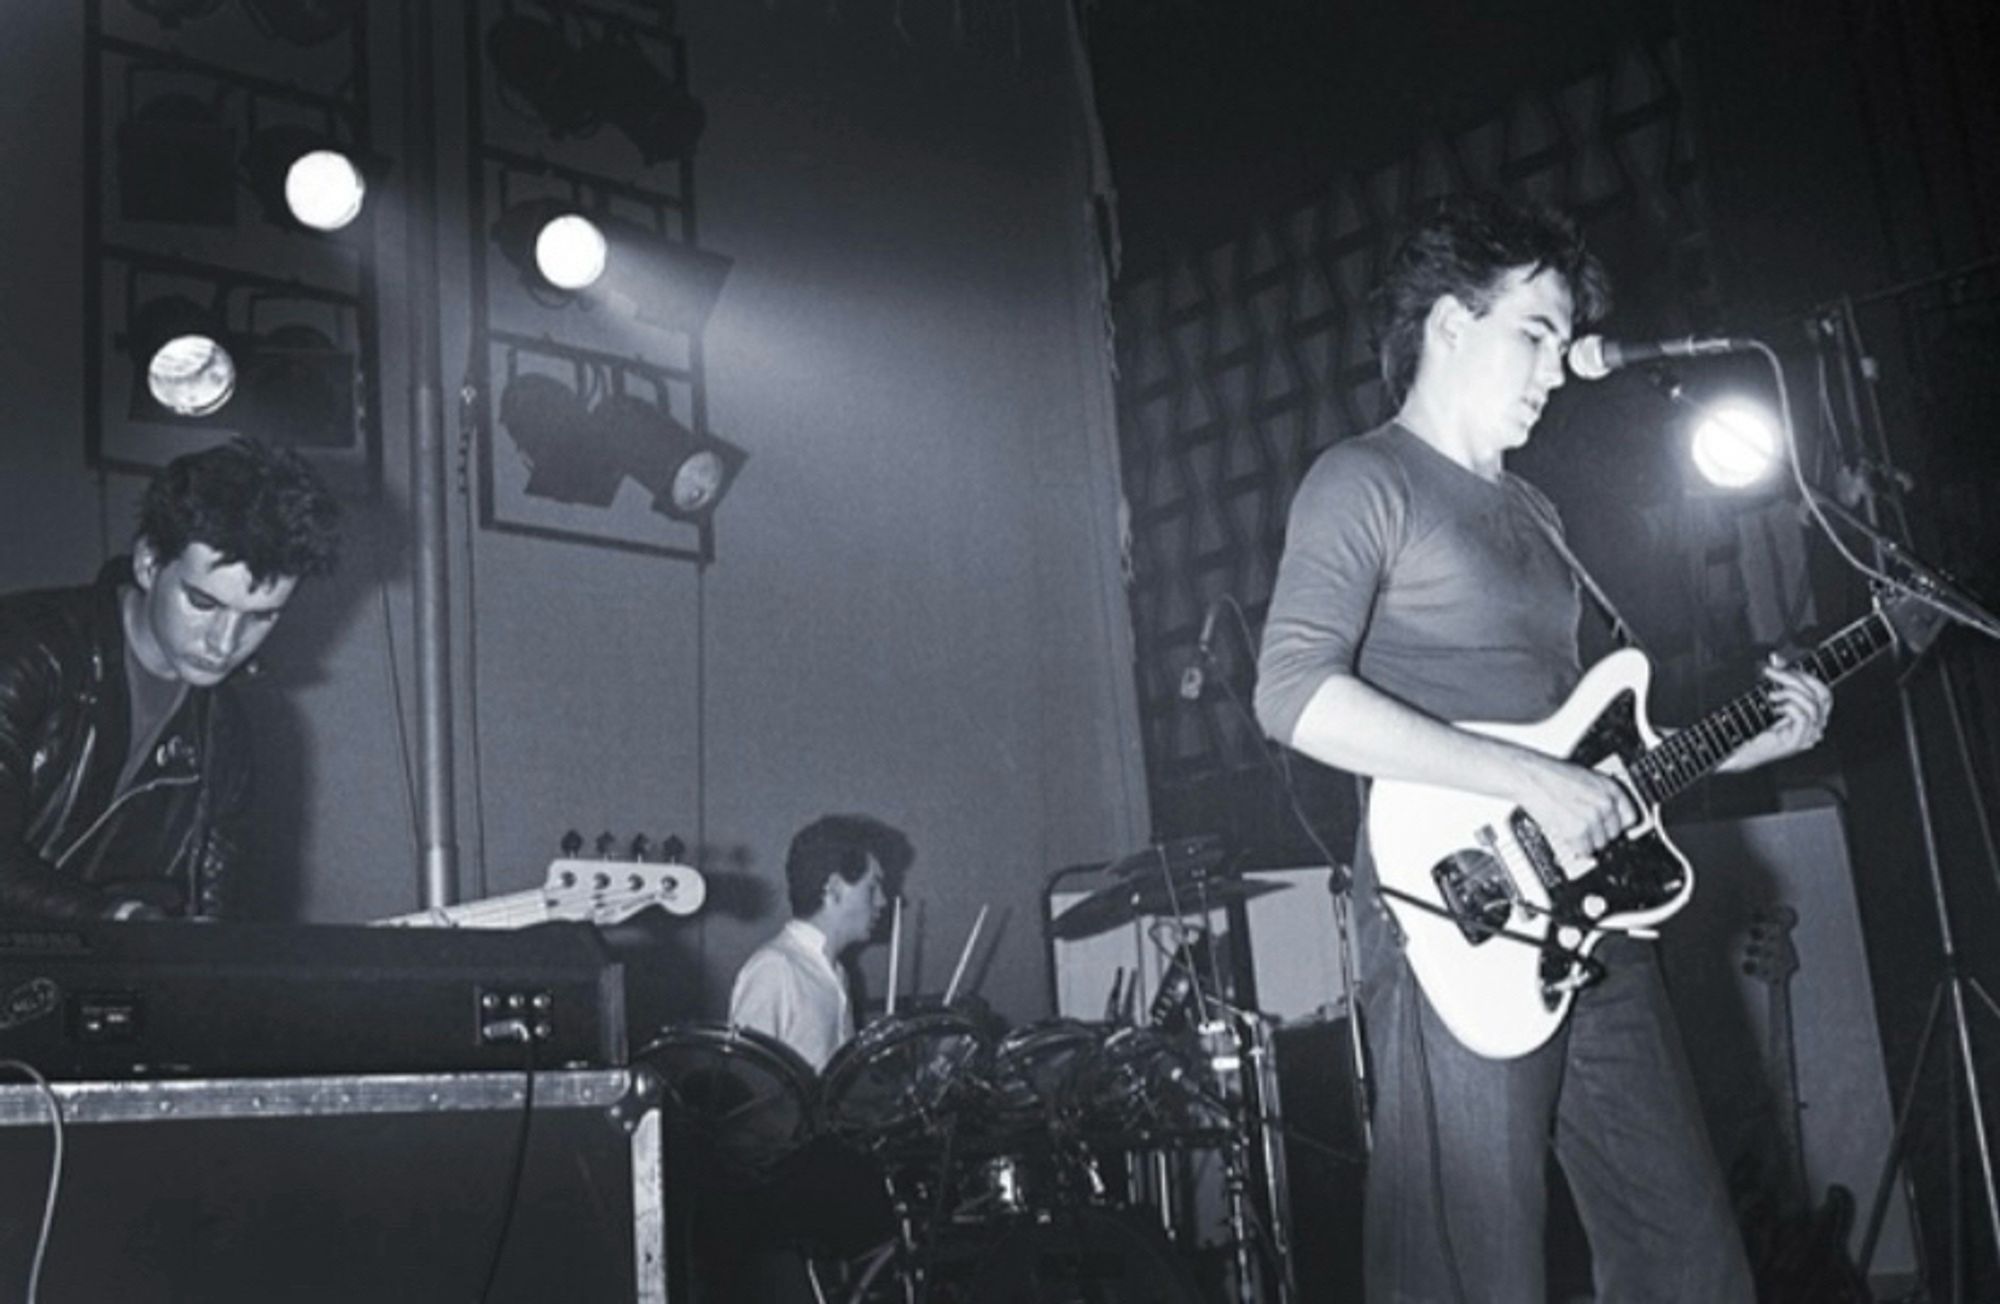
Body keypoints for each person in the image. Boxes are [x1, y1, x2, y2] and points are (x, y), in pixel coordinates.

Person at [1254, 194, 1833, 1303]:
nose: (1556, 368)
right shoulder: (1362, 478)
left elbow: (1591, 751)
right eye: (1534, 332)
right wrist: (1530, 781)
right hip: (1457, 911)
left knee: (1690, 1263)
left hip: (1591, 918)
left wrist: (1749, 744)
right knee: (1469, 1276)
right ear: (1447, 323)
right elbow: (1289, 694)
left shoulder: (1536, 514)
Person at [0, 437, 341, 921]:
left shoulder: (225, 737)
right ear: (148, 563)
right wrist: (113, 919)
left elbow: (209, 923)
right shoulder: (22, 652)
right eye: (204, 603)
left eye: (261, 617)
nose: (225, 642)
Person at [729, 812, 907, 1072]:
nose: (882, 901)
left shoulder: (837, 974)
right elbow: (746, 1091)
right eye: (872, 888)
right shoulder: (775, 970)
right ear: (834, 888)